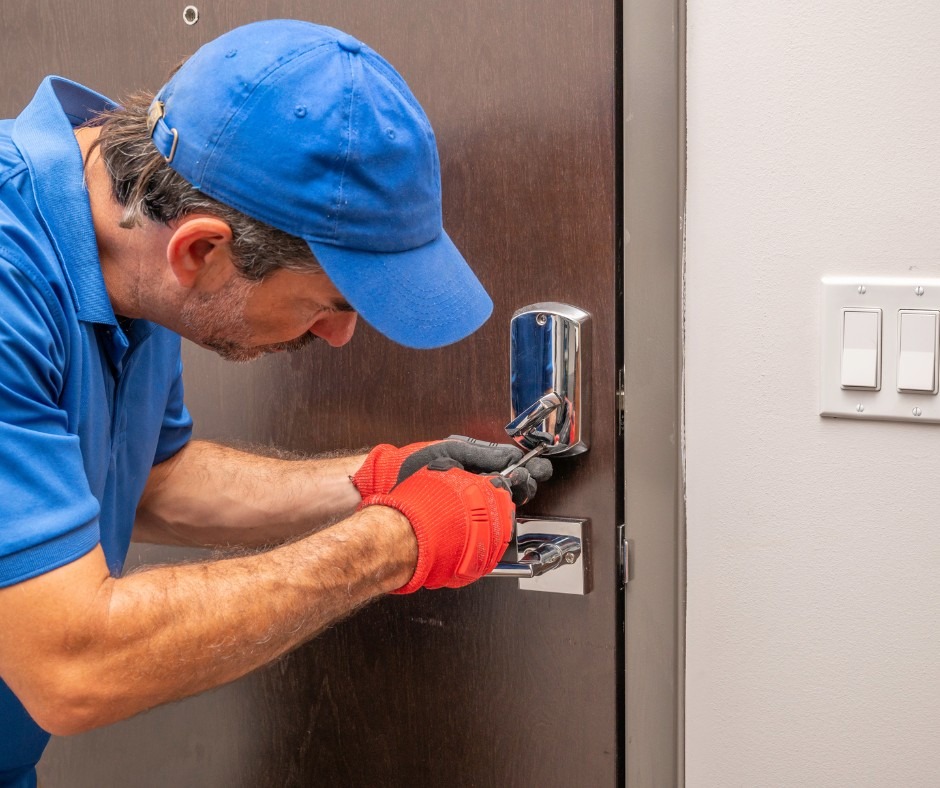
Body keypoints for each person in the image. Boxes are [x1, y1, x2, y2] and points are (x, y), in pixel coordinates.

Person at [0, 20, 551, 788]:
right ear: (199, 250)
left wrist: (373, 481)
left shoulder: (130, 241)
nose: (339, 336)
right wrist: (391, 544)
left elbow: (153, 481)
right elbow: (72, 665)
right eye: (328, 303)